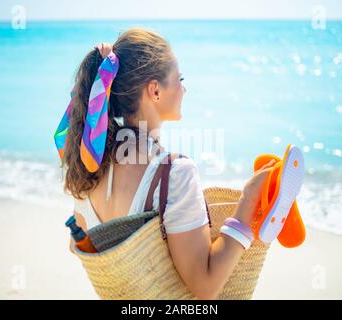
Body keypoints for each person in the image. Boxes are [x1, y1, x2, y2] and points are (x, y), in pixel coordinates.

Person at [57, 27, 274, 300]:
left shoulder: (88, 166)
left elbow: (75, 246)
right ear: (155, 90)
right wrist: (248, 202)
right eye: (179, 78)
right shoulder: (175, 172)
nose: (184, 88)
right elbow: (205, 286)